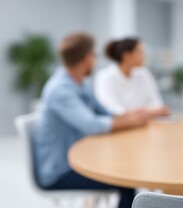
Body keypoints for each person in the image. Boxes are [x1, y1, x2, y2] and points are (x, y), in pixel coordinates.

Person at [35, 33, 151, 208]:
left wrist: (131, 116)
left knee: (127, 168)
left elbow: (104, 113)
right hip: (61, 171)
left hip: (80, 159)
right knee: (126, 181)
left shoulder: (81, 83)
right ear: (87, 58)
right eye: (95, 55)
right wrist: (131, 121)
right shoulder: (60, 90)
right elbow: (92, 125)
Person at [95, 38, 169, 117]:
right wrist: (147, 112)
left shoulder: (144, 73)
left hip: (147, 124)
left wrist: (140, 112)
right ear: (126, 55)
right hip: (122, 127)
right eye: (140, 52)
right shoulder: (105, 76)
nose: (143, 56)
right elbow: (110, 109)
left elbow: (158, 104)